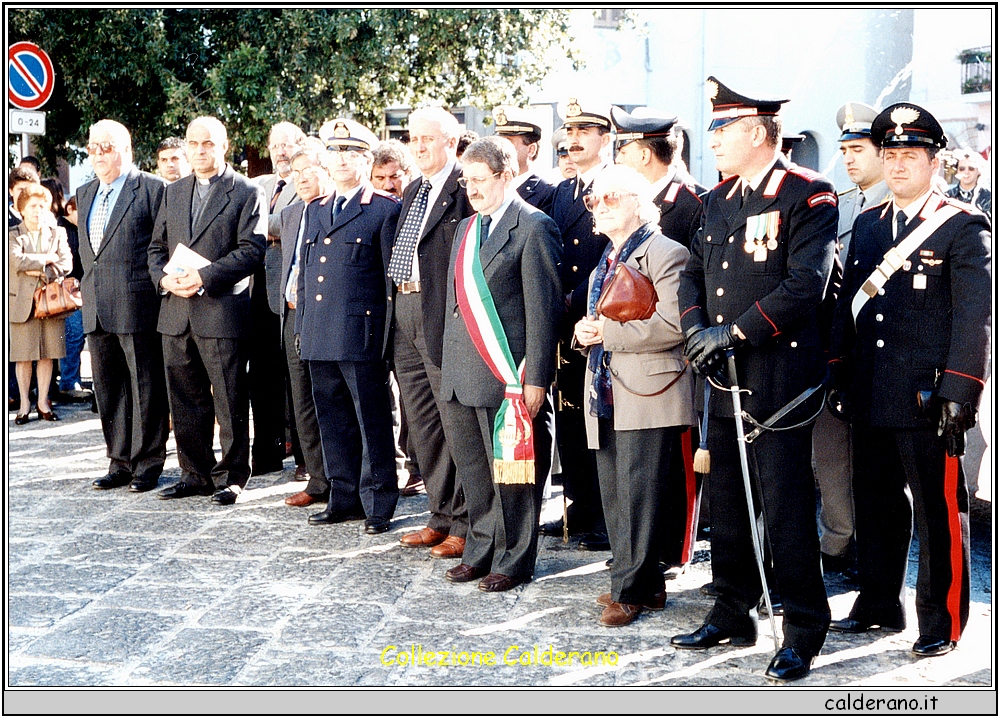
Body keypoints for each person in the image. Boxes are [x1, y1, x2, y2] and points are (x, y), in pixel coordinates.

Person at [673, 77, 837, 682]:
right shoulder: (718, 200)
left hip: (777, 377)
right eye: (712, 128)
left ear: (757, 132)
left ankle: (802, 629)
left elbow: (806, 285)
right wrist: (698, 331)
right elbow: (692, 273)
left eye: (722, 128)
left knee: (787, 505)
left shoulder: (808, 195)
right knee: (729, 501)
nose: (712, 138)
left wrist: (734, 332)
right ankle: (731, 609)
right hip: (723, 375)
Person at [827, 103, 991, 658]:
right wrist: (839, 375)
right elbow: (849, 312)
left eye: (910, 155)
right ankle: (877, 605)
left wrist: (959, 393)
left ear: (933, 160)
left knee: (938, 512)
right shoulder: (870, 225)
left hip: (928, 399)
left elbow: (975, 319)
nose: (898, 166)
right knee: (876, 505)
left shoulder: (962, 226)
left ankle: (942, 620)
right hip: (872, 391)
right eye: (890, 154)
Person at [439, 136, 562, 591]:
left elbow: (543, 311)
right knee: (475, 472)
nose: (470, 189)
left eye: (478, 179)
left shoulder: (533, 227)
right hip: (460, 371)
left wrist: (537, 380)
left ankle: (514, 559)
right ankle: (481, 547)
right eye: (465, 180)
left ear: (507, 176)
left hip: (506, 375)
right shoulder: (466, 228)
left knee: (513, 476)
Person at [574, 165, 695, 625]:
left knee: (640, 495)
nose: (599, 207)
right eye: (594, 200)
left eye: (610, 198)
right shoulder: (609, 254)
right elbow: (603, 319)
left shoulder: (667, 252)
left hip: (648, 388)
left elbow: (675, 324)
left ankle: (633, 589)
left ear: (640, 203)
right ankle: (638, 584)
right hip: (606, 388)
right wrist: (586, 331)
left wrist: (606, 332)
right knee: (616, 493)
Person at [148, 115, 266, 506]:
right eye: (194, 144)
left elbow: (252, 249)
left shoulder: (246, 191)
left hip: (220, 309)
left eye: (209, 144)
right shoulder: (174, 191)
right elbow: (155, 249)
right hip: (176, 311)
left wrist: (203, 277)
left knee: (230, 398)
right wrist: (164, 281)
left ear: (225, 146)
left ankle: (231, 478)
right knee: (184, 397)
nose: (200, 151)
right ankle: (193, 473)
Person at [611, 105, 706, 579]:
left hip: (674, 354)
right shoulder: (625, 200)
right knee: (640, 471)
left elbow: (693, 283)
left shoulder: (692, 203)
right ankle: (642, 547)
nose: (618, 154)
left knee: (677, 461)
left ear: (646, 154)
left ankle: (676, 547)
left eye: (623, 147)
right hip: (631, 354)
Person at [295, 119, 401, 534]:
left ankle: (379, 503)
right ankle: (343, 497)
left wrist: (386, 339)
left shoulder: (382, 209)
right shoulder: (316, 208)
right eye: (335, 153)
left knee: (371, 420)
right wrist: (304, 324)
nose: (341, 161)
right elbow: (306, 275)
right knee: (333, 418)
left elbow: (390, 283)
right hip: (320, 330)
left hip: (361, 334)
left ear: (366, 159)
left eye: (351, 154)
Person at [388, 107, 474, 558]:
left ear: (451, 140)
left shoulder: (465, 189)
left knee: (452, 422)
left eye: (427, 138)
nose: (418, 146)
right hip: (404, 309)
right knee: (422, 422)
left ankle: (464, 521)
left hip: (441, 315)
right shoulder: (414, 189)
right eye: (413, 139)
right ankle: (439, 514)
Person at [812, 102, 890, 574]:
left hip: (881, 360)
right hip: (837, 352)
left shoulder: (896, 207)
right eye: (843, 150)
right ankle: (840, 539)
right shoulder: (845, 203)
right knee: (832, 457)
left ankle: (860, 546)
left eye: (858, 149)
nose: (848, 159)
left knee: (873, 469)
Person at [76, 119, 170, 493]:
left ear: (127, 149)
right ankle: (119, 461)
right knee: (108, 386)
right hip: (96, 304)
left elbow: (160, 246)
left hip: (137, 302)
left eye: (107, 146)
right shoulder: (84, 193)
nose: (98, 154)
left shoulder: (151, 189)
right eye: (93, 147)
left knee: (145, 385)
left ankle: (148, 463)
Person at [545, 98, 614, 551]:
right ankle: (578, 503)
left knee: (600, 417)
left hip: (601, 317)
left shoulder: (614, 186)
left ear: (605, 138)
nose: (571, 141)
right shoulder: (562, 192)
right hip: (564, 320)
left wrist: (581, 298)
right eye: (568, 133)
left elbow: (615, 254)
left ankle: (607, 514)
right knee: (569, 411)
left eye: (583, 133)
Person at [277, 139, 335, 509]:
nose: (299, 178)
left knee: (331, 399)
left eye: (308, 170)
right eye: (294, 172)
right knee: (302, 402)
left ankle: (342, 478)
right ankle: (317, 479)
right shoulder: (291, 213)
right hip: (292, 314)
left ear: (327, 170)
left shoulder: (336, 209)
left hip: (327, 318)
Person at [252, 121, 306, 476]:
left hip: (292, 293)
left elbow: (290, 221)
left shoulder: (305, 181)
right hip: (258, 293)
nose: (281, 152)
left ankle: (305, 458)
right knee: (263, 376)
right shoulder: (260, 184)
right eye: (276, 146)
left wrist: (258, 224)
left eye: (288, 145)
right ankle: (268, 455)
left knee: (298, 379)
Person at [9, 184, 72, 424]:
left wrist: (35, 268)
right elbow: (16, 260)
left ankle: (43, 402)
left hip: (51, 302)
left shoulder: (58, 233)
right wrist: (47, 259)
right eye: (32, 206)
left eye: (42, 206)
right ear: (22, 210)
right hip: (21, 303)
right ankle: (24, 403)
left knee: (48, 354)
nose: (38, 211)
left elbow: (66, 264)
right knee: (23, 356)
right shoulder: (13, 233)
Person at [40, 178, 89, 403]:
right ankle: (69, 383)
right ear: (70, 208)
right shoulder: (61, 229)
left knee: (77, 338)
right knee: (74, 336)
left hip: (84, 290)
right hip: (68, 292)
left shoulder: (82, 229)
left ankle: (71, 381)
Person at [492, 105, 556, 214]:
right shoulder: (492, 185)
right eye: (498, 141)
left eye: (508, 142)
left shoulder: (547, 193)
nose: (500, 148)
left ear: (531, 150)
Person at [946, 148, 991, 215]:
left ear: (979, 171)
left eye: (971, 168)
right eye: (962, 169)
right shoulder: (947, 196)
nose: (966, 172)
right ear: (957, 171)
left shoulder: (989, 197)